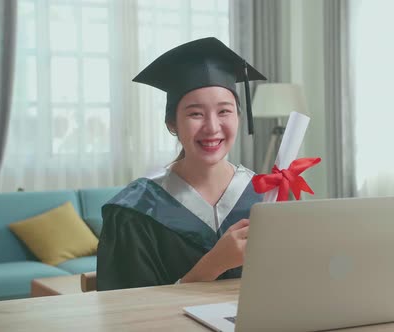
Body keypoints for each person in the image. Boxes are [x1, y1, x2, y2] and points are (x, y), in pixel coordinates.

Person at [96, 37, 267, 291]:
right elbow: (127, 314)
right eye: (195, 113)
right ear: (171, 123)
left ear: (239, 118)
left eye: (224, 111)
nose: (212, 127)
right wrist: (213, 264)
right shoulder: (134, 211)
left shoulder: (266, 197)